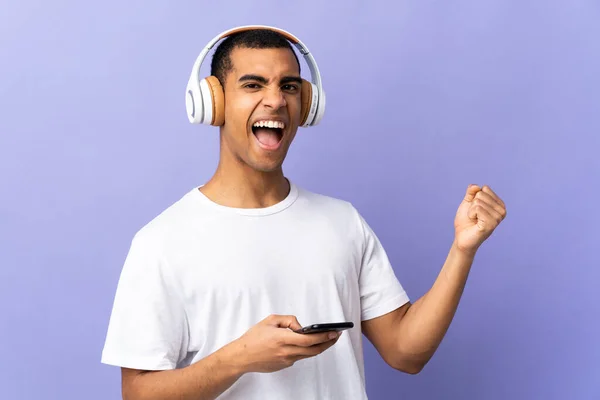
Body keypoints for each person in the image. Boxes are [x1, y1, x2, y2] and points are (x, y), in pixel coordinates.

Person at [101, 26, 507, 400]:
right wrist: (241, 357)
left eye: (289, 86)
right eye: (253, 84)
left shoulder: (342, 222)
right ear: (214, 101)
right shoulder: (162, 242)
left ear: (307, 104)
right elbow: (138, 394)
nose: (275, 100)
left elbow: (406, 353)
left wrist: (462, 249)